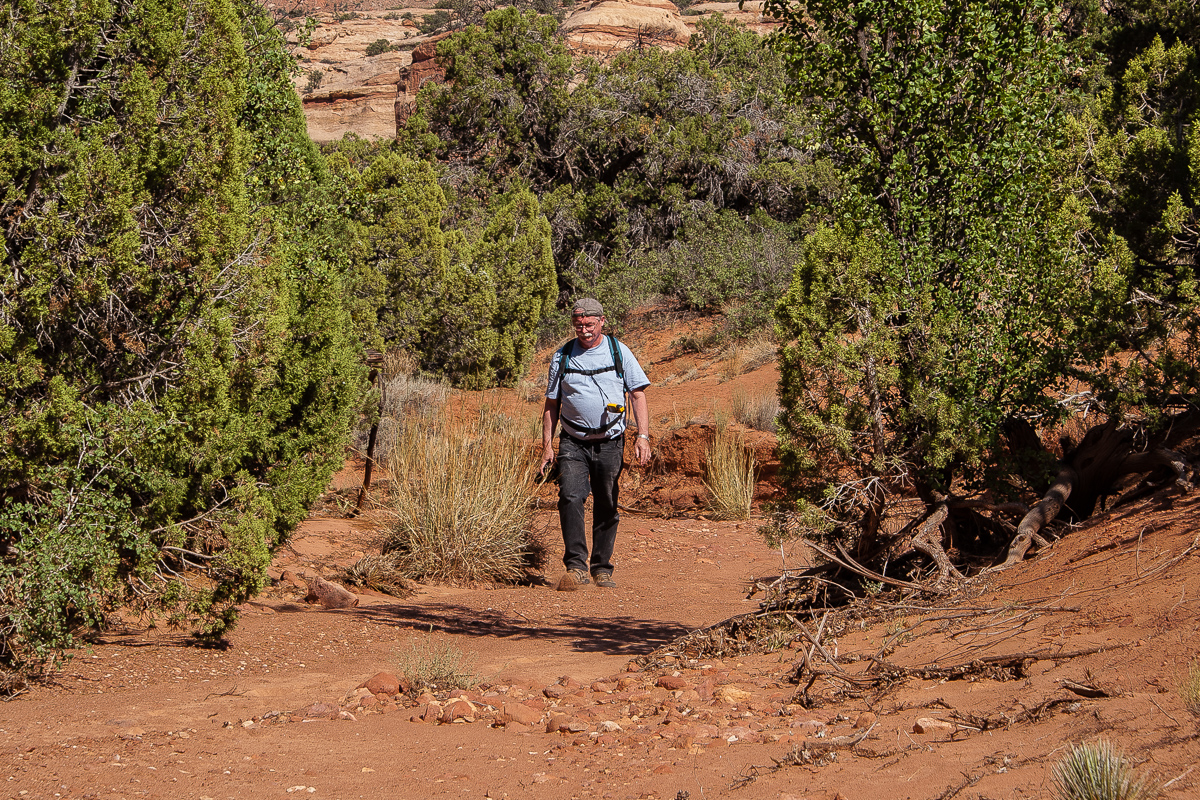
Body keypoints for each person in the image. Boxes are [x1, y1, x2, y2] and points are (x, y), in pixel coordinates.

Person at [539, 298, 650, 590]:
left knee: (607, 501)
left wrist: (642, 436)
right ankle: (575, 567)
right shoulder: (562, 356)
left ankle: (602, 568)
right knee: (571, 497)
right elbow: (551, 403)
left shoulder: (619, 351)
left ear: (602, 321)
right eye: (579, 325)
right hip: (573, 441)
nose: (584, 330)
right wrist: (547, 446)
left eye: (589, 324)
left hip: (611, 441)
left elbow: (638, 395)